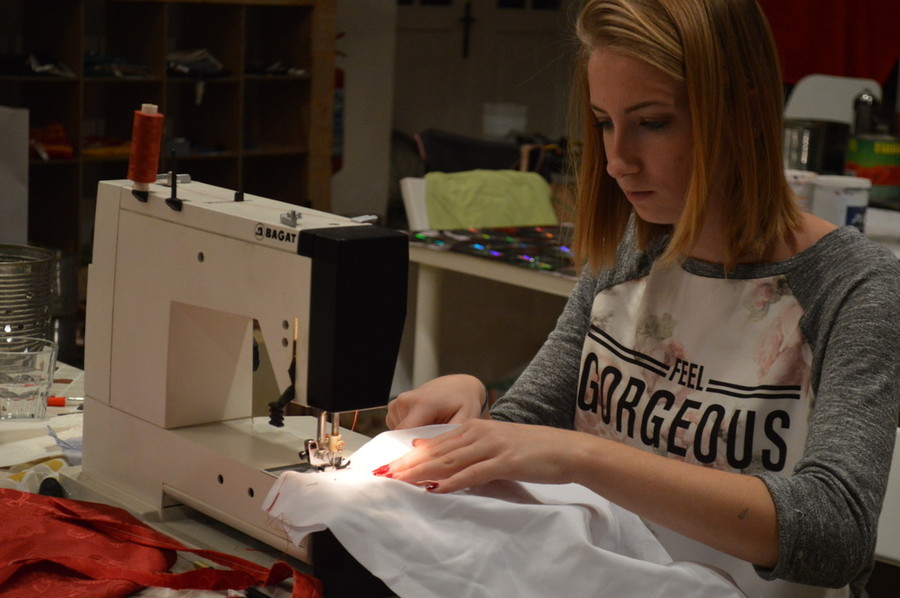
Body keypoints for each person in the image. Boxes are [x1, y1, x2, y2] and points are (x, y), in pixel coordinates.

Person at [381, 0, 900, 596]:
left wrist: (586, 457)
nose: (616, 161)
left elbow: (836, 533)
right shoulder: (629, 252)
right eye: (604, 122)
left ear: (743, 114)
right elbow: (531, 429)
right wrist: (474, 405)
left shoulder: (851, 286)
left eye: (652, 123)